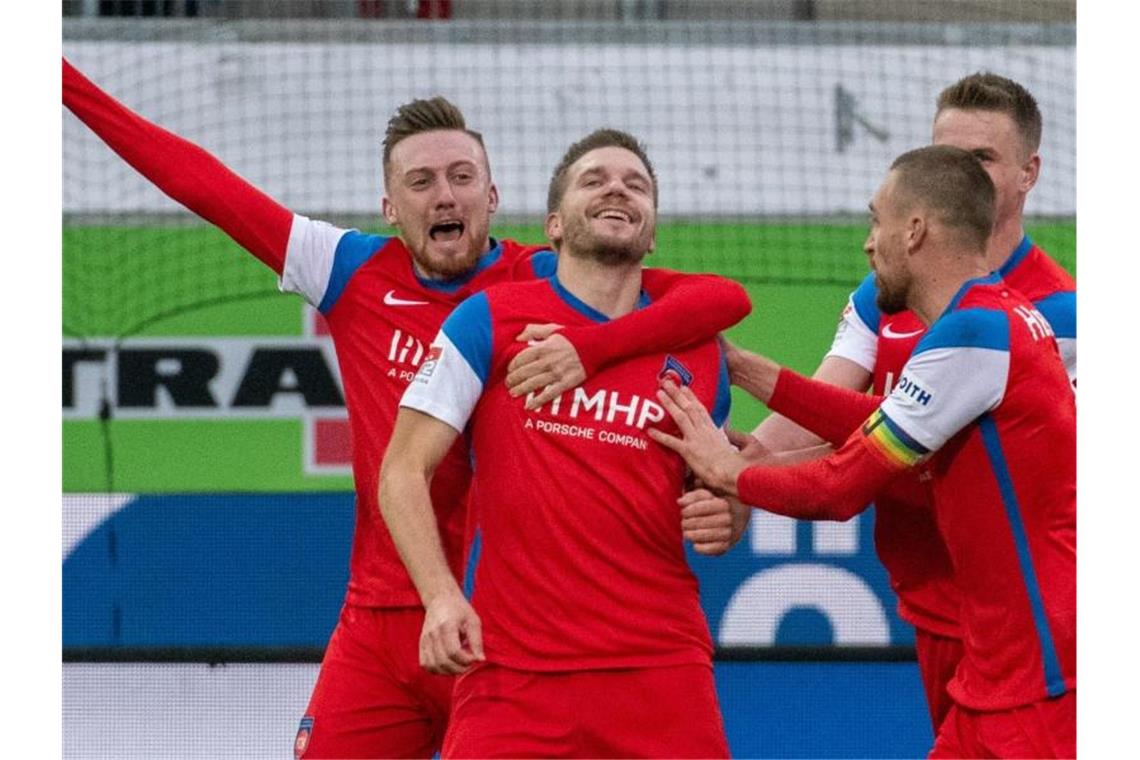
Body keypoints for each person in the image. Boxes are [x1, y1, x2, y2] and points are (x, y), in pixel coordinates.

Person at [63, 60, 751, 758]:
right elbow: (202, 184)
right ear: (391, 208)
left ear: (492, 195)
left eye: (460, 177)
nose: (443, 195)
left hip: (504, 626)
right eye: (420, 182)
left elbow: (715, 299)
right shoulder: (349, 270)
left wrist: (606, 356)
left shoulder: (544, 278)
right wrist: (62, 82)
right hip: (382, 618)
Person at [652, 145, 1075, 758]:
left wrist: (732, 473)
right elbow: (882, 419)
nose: (868, 243)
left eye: (876, 220)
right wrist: (748, 371)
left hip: (1045, 679)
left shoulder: (974, 335)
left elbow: (839, 487)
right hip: (1007, 668)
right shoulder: (990, 320)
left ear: (915, 230)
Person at [381, 129, 737, 758]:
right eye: (594, 179)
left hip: (660, 670)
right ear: (554, 225)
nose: (617, 188)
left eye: (637, 184)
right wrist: (439, 596)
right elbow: (403, 468)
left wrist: (730, 511)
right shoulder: (489, 318)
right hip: (512, 675)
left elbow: (713, 485)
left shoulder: (699, 352)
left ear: (651, 234)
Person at [738, 72, 1076, 733]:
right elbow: (839, 406)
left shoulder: (1061, 314)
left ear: (1028, 173)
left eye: (981, 158)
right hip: (930, 604)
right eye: (945, 153)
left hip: (1030, 624)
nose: (957, 171)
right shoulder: (884, 292)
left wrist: (737, 476)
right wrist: (740, 460)